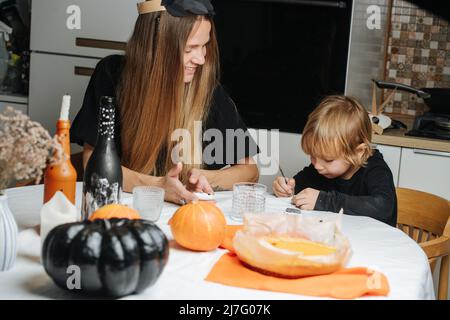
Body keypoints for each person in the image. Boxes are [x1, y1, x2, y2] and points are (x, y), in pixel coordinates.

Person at [71, 0, 259, 205]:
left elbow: (250, 171)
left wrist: (200, 178)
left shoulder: (208, 92)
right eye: (190, 49)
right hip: (123, 207)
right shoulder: (111, 75)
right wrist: (159, 186)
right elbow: (93, 164)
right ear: (158, 49)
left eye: (204, 46)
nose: (201, 59)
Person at [272, 95, 397, 226]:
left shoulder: (376, 170)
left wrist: (323, 201)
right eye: (313, 156)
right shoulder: (322, 168)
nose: (318, 166)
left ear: (358, 152)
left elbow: (383, 207)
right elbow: (298, 186)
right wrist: (286, 188)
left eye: (328, 159)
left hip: (374, 242)